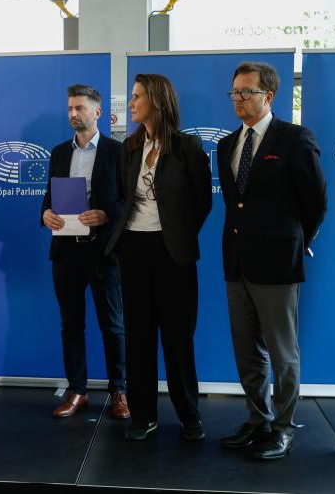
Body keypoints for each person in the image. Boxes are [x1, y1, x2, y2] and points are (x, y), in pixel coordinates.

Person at [216, 62, 327, 459]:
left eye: (246, 92)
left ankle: (283, 426)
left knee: (282, 352)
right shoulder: (226, 145)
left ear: (269, 96)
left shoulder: (295, 139)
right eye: (234, 92)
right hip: (236, 261)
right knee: (246, 349)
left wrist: (296, 241)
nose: (238, 99)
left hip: (278, 262)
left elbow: (316, 202)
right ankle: (257, 418)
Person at [105, 74, 212, 441]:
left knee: (178, 338)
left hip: (174, 253)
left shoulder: (187, 147)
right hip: (133, 249)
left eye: (137, 96)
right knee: (139, 337)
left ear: (158, 101)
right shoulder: (130, 147)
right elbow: (124, 197)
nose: (131, 103)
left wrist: (178, 235)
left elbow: (202, 202)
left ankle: (189, 416)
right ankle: (143, 416)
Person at [41, 84, 129, 420]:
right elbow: (49, 198)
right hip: (66, 251)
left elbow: (129, 201)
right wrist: (45, 214)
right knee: (71, 325)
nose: (73, 114)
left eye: (79, 108)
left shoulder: (118, 151)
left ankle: (119, 391)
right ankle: (77, 390)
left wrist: (107, 215)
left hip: (103, 251)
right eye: (70, 108)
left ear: (98, 112)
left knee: (113, 326)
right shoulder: (59, 152)